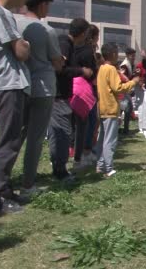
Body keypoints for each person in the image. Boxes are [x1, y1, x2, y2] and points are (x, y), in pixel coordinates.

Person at [0, 0, 33, 213]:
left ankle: (4, 189)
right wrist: (26, 44)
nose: (26, 0)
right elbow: (21, 52)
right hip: (8, 85)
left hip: (11, 85)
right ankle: (0, 195)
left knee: (12, 139)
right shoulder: (1, 14)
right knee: (8, 141)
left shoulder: (2, 14)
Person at [16, 0, 62, 197]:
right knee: (35, 137)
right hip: (42, 87)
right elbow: (57, 62)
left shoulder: (14, 23)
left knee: (13, 135)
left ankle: (3, 181)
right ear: (43, 4)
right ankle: (28, 184)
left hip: (18, 85)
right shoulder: (46, 30)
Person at [49, 18, 93, 183]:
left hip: (61, 95)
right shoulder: (65, 44)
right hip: (59, 96)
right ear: (82, 33)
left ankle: (59, 167)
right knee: (63, 133)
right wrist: (82, 70)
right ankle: (60, 170)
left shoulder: (67, 44)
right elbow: (61, 69)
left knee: (60, 132)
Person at [95, 43, 139, 177]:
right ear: (113, 54)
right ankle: (108, 168)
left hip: (102, 108)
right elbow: (118, 88)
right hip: (111, 108)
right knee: (110, 140)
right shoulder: (111, 69)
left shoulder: (101, 68)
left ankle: (101, 165)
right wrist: (134, 82)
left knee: (102, 138)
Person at [72, 24, 98, 170]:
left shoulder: (76, 49)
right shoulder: (88, 52)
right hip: (86, 91)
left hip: (75, 90)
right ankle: (83, 155)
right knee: (87, 123)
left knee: (80, 125)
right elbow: (92, 74)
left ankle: (81, 153)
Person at [119, 47, 136, 135]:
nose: (133, 57)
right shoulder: (124, 65)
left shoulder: (130, 64)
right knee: (124, 109)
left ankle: (125, 129)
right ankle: (124, 130)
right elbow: (122, 78)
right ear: (127, 55)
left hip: (127, 90)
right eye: (132, 55)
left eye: (134, 55)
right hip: (123, 91)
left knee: (127, 110)